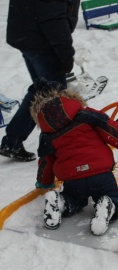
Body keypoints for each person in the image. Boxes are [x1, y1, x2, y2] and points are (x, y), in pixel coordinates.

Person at [30, 78, 118, 236]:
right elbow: (109, 128)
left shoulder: (47, 135)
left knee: (74, 199)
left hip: (73, 179)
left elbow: (46, 161)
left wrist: (44, 183)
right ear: (68, 97)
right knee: (111, 194)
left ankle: (61, 202)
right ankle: (109, 204)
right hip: (100, 174)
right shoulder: (86, 115)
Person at [0, 0, 80, 161]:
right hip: (42, 42)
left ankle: (13, 140)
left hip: (29, 36)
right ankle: (59, 147)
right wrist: (65, 54)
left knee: (42, 90)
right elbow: (53, 19)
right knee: (54, 95)